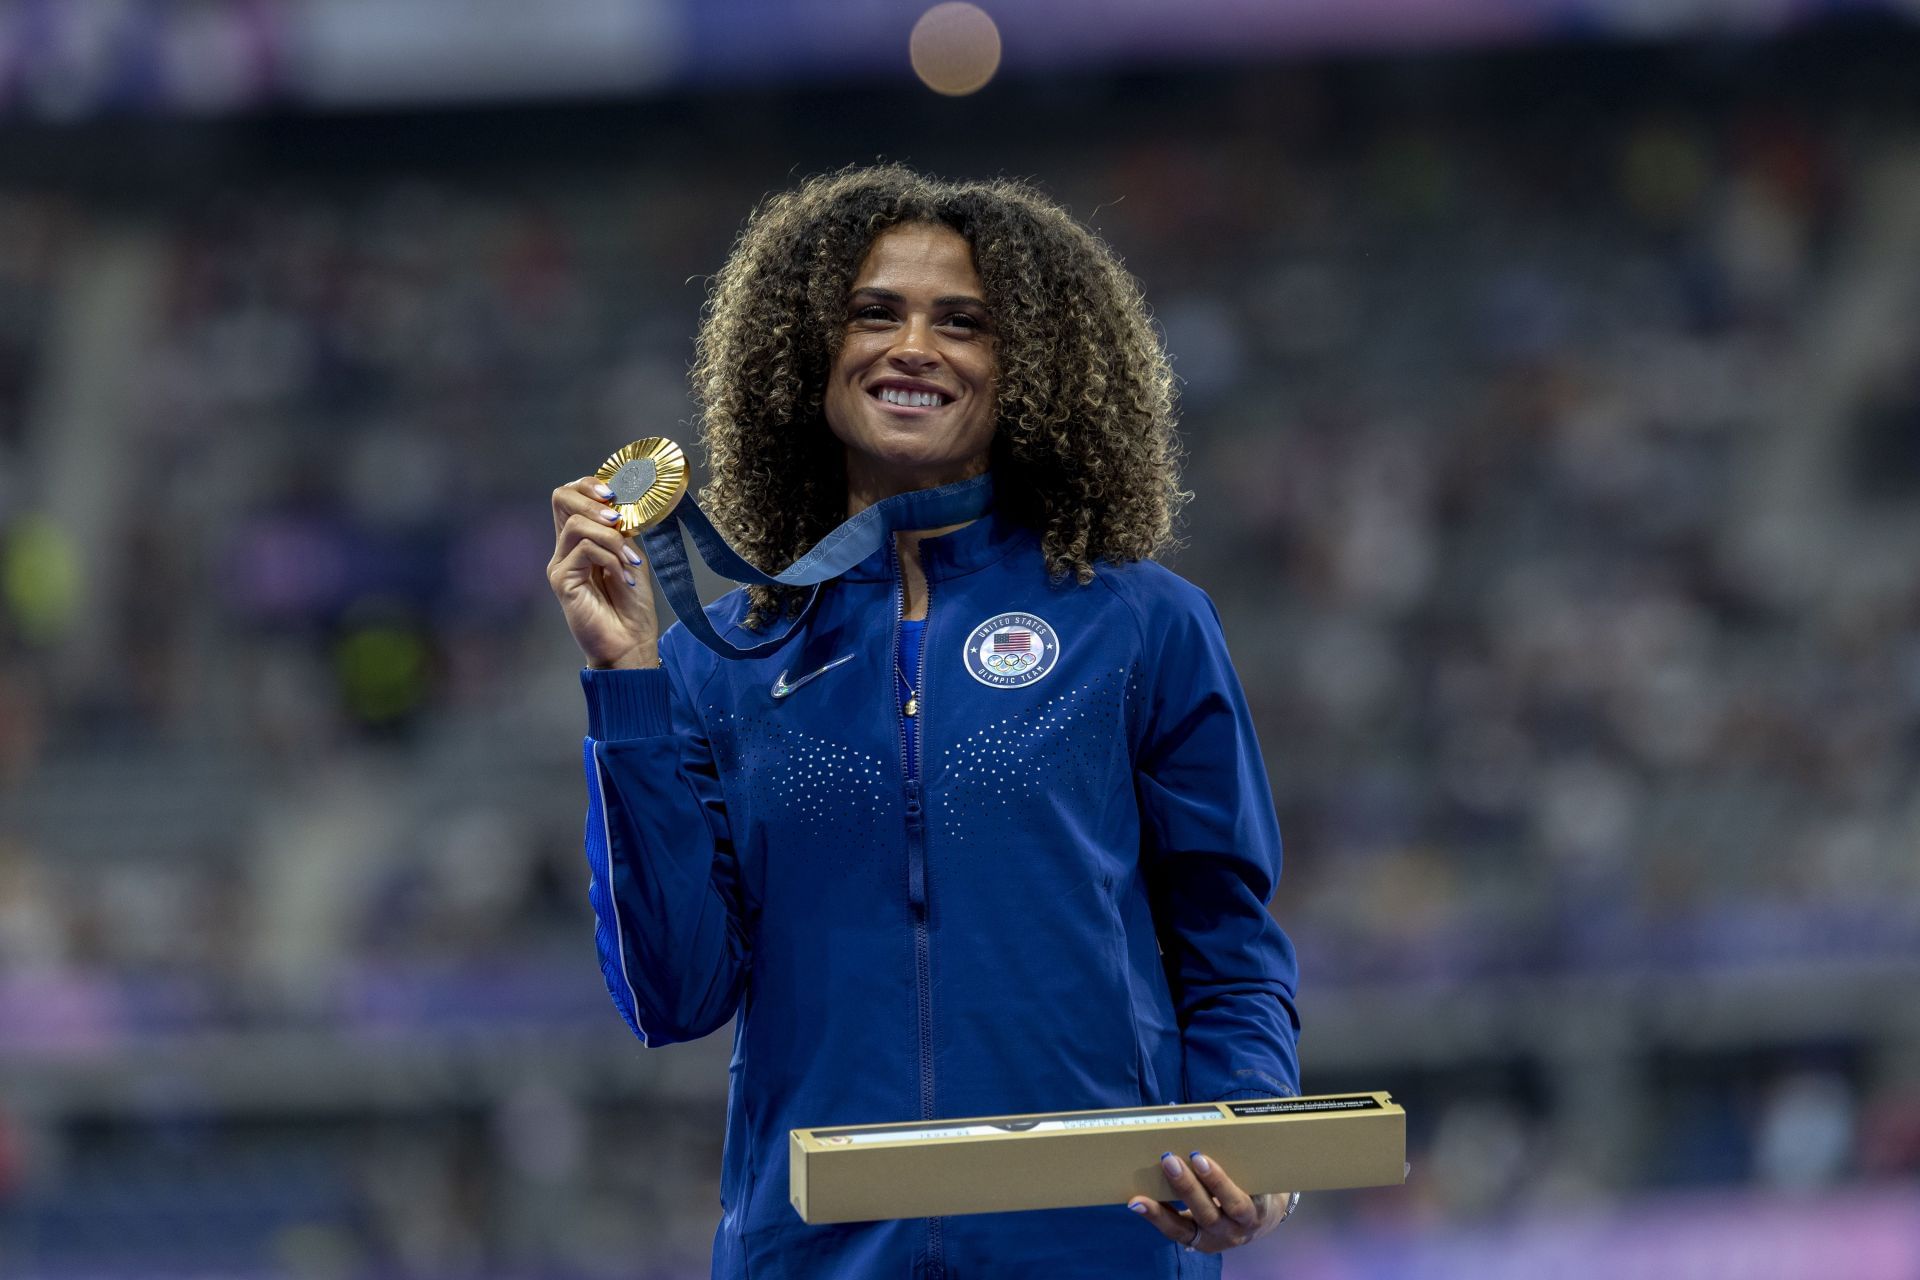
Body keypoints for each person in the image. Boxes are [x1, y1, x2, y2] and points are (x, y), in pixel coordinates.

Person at [547, 165, 1301, 1278]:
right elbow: (677, 993)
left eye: (964, 322)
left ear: (1032, 365)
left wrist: (1252, 1142)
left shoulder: (1142, 623)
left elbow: (1228, 941)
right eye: (874, 312)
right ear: (808, 349)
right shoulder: (718, 660)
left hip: (1098, 1247)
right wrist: (629, 683)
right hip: (816, 1254)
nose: (914, 347)